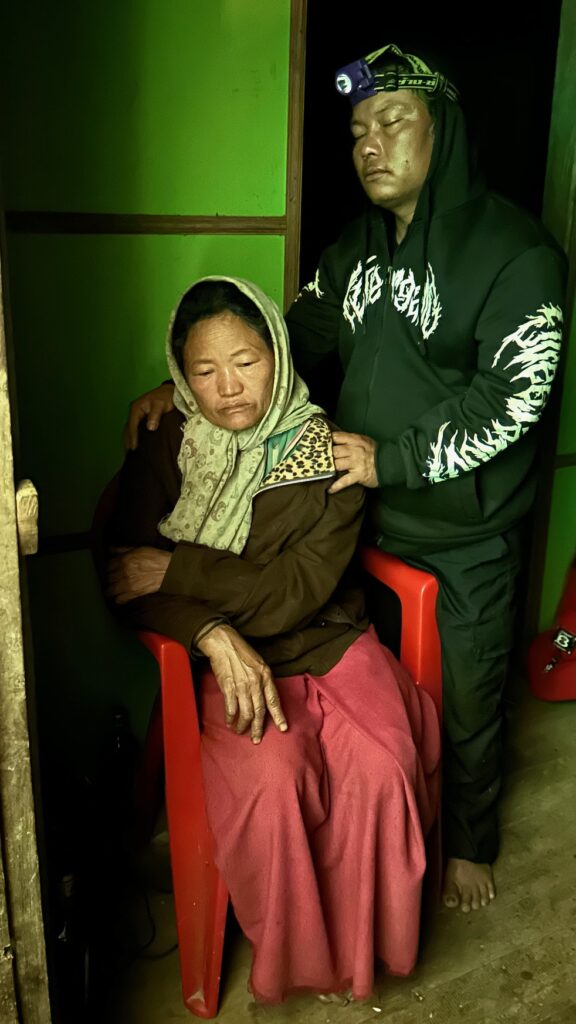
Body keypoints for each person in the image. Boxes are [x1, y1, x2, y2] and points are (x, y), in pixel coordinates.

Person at [123, 44, 567, 914]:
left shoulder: (519, 253)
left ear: (445, 132)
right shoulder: (355, 248)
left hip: (460, 524)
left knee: (472, 684)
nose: (371, 144)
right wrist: (191, 392)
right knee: (372, 684)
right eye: (359, 129)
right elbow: (292, 342)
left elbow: (514, 397)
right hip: (362, 514)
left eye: (394, 121)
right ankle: (362, 821)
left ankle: (470, 839)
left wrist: (388, 457)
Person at [106, 276, 440, 1004]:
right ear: (180, 373)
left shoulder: (328, 451)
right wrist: (209, 631)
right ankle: (303, 963)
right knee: (272, 781)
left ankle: (369, 955)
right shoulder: (168, 438)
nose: (227, 387)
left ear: (278, 356)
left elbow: (295, 591)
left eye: (247, 361)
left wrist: (182, 569)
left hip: (328, 639)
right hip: (231, 652)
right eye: (203, 369)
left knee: (384, 765)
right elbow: (125, 572)